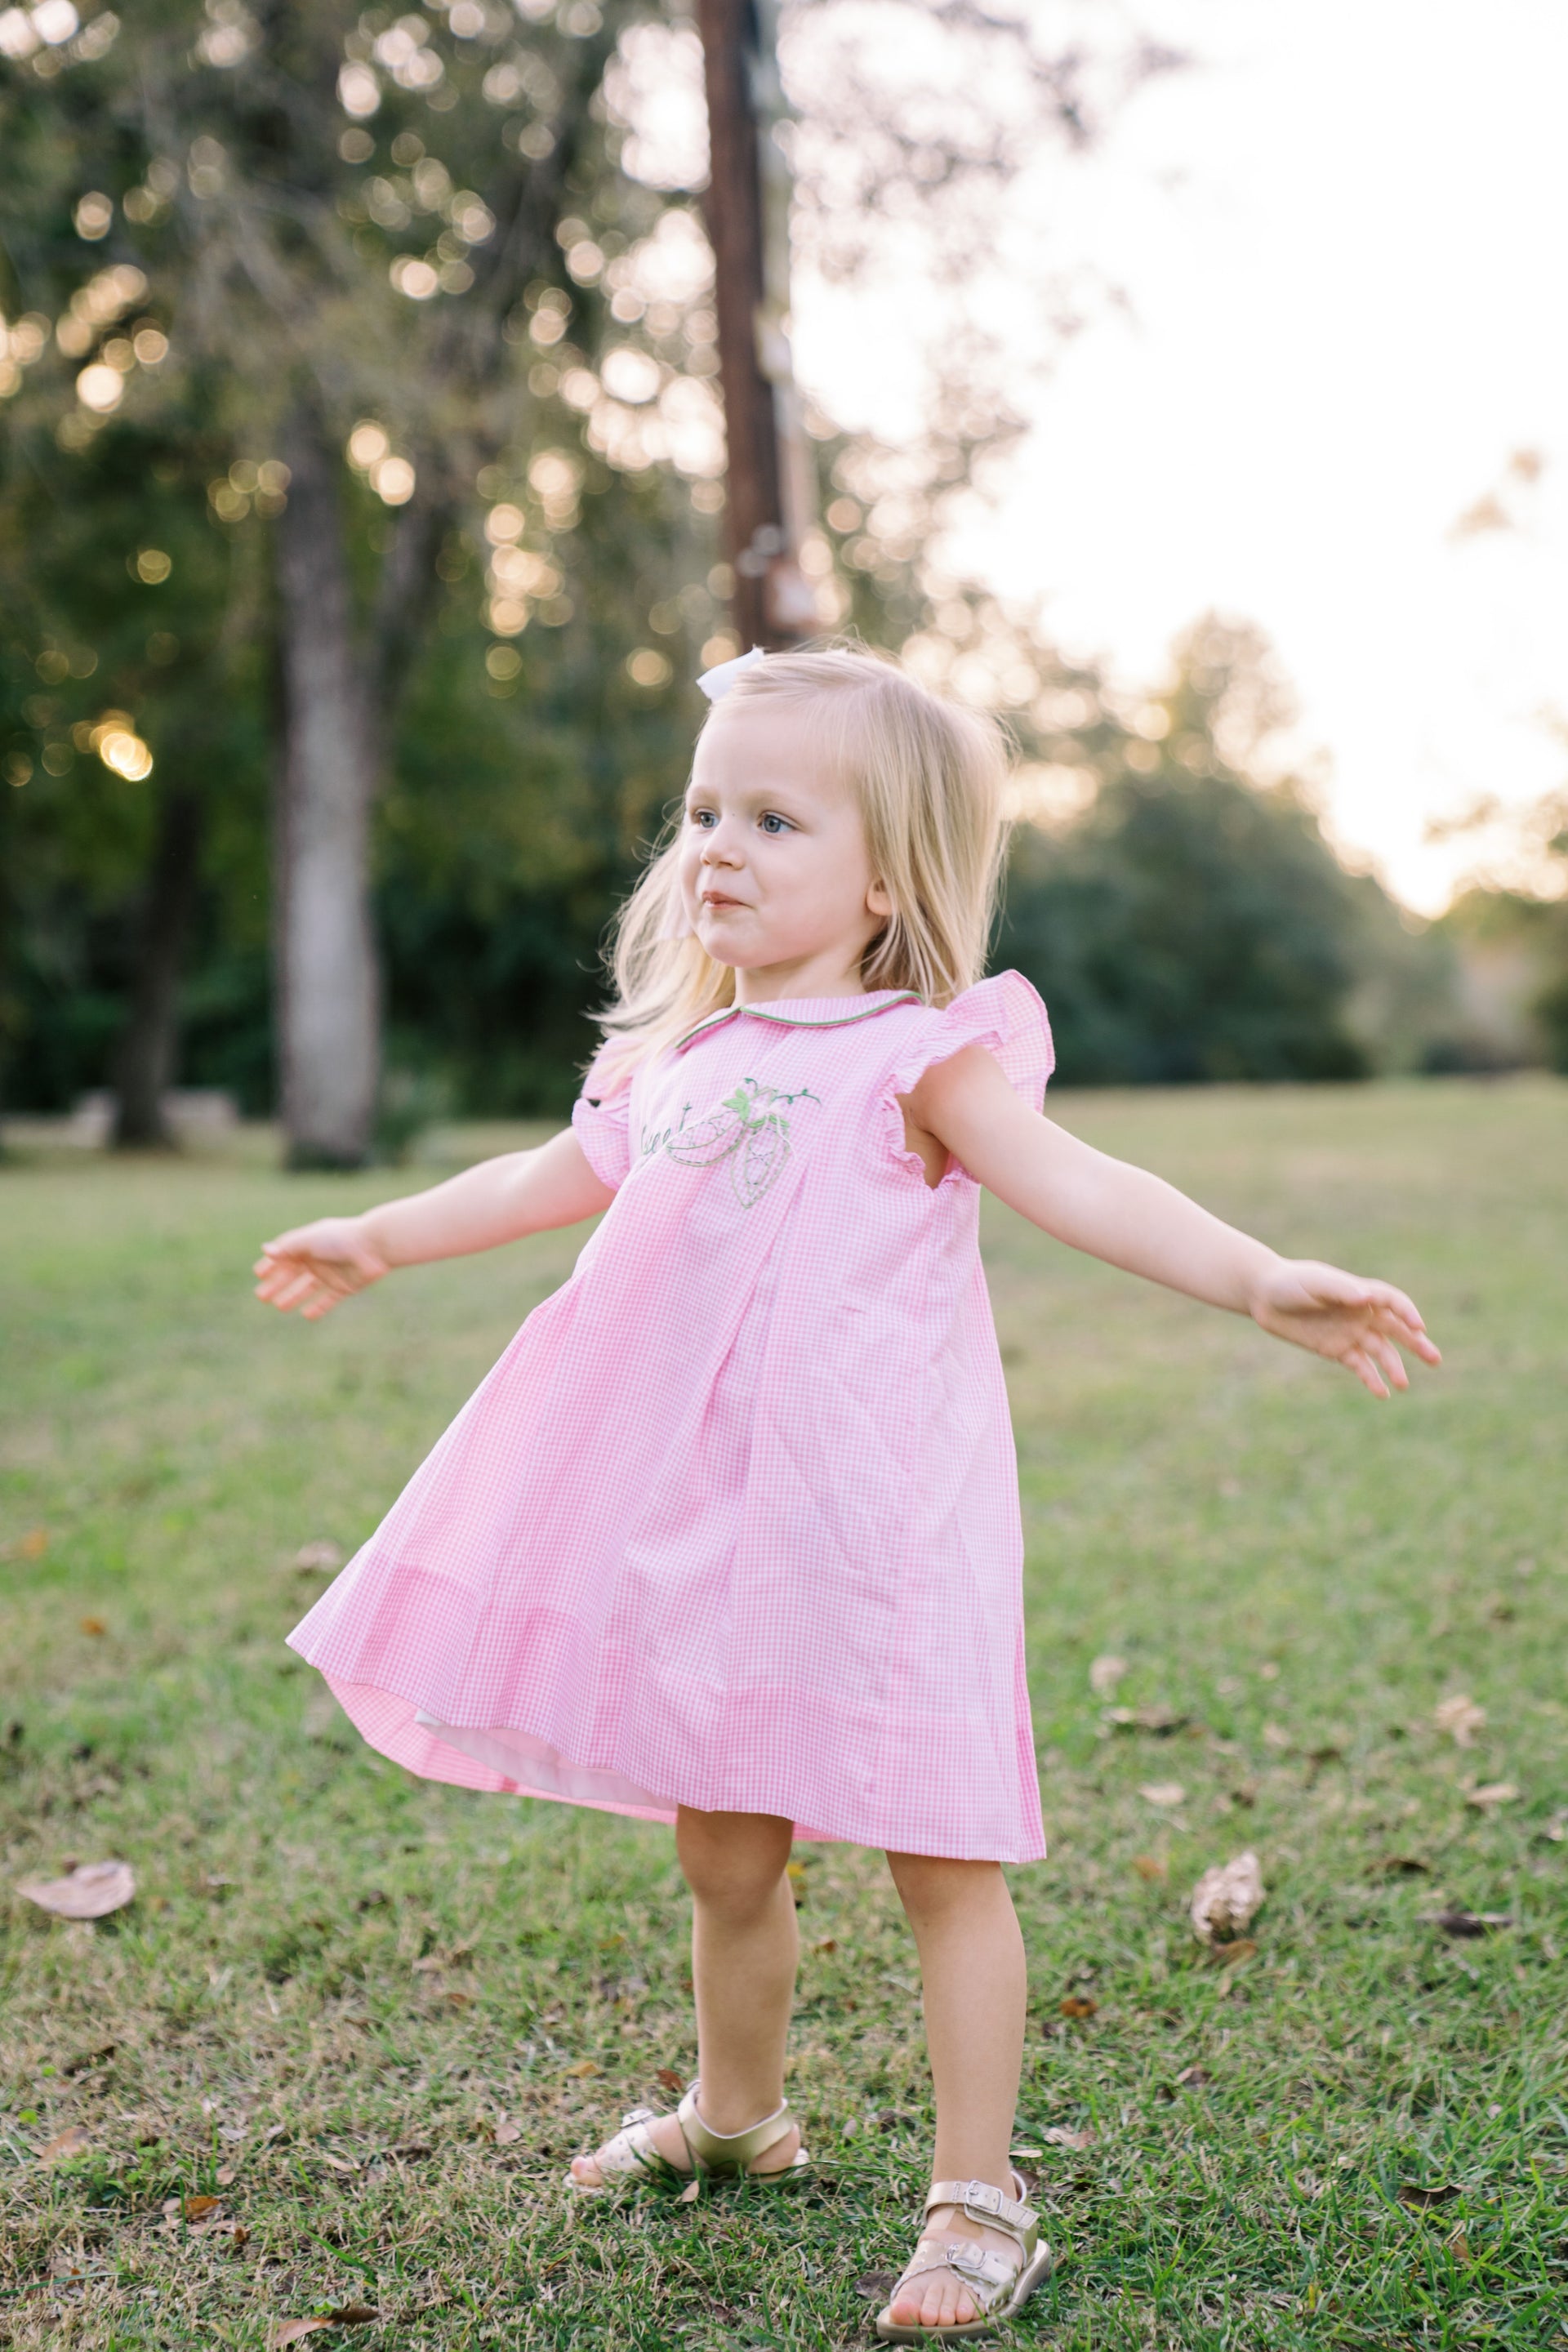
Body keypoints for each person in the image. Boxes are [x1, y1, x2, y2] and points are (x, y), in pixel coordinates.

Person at [256, 644, 1438, 2341]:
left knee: (942, 1856)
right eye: (703, 812)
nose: (718, 848)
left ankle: (979, 2196)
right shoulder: (679, 1059)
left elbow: (1083, 1182)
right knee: (725, 1852)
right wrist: (376, 1235)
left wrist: (1257, 1278)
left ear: (886, 879)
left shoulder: (920, 1055)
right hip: (710, 1528)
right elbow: (541, 1178)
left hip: (877, 1525)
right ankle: (739, 2117)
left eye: (775, 819)